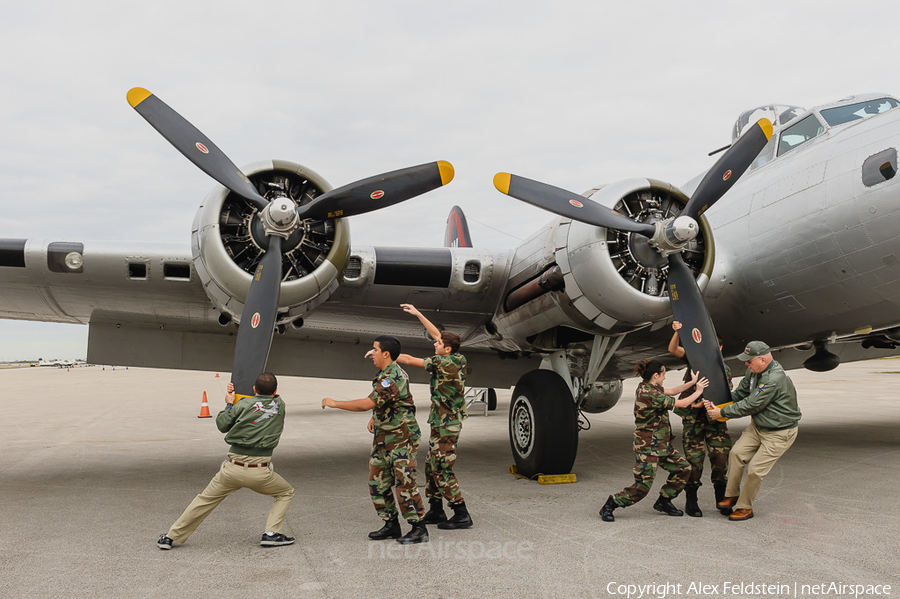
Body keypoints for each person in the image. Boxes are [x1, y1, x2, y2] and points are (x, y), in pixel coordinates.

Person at [157, 373, 295, 550]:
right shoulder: (280, 405)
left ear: (254, 389)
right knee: (286, 492)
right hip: (261, 472)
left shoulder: (242, 405)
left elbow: (222, 425)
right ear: (275, 391)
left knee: (204, 500)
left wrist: (230, 401)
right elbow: (269, 397)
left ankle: (170, 537)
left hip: (232, 469)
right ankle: (271, 534)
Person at [322, 335, 428, 544]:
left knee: (404, 482)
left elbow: (366, 403)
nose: (371, 354)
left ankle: (419, 528)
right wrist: (375, 417)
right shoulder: (384, 374)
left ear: (386, 354)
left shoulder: (393, 376)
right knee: (377, 481)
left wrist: (335, 403)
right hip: (384, 436)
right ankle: (391, 524)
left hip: (401, 438)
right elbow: (385, 401)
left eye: (375, 350)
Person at [600, 361, 709, 522]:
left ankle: (664, 500)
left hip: (661, 444)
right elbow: (683, 403)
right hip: (648, 446)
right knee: (642, 487)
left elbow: (671, 391)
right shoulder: (651, 394)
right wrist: (699, 390)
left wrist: (692, 383)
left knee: (683, 468)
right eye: (663, 374)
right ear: (655, 375)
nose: (665, 377)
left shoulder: (648, 386)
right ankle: (612, 503)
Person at [705, 341, 801, 521]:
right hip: (759, 427)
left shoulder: (774, 379)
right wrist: (718, 403)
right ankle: (732, 494)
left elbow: (751, 405)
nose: (746, 364)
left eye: (749, 361)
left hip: (779, 433)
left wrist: (721, 412)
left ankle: (745, 507)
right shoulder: (754, 371)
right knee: (735, 454)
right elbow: (740, 393)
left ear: (763, 359)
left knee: (755, 470)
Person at [395, 303, 471, 529]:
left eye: (438, 344)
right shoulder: (459, 358)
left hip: (447, 425)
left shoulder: (441, 363)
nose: (434, 343)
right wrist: (419, 314)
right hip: (442, 423)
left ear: (447, 349)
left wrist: (386, 353)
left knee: (442, 469)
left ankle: (461, 513)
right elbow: (438, 334)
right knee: (430, 466)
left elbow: (408, 360)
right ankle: (436, 510)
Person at [667, 321, 733, 517]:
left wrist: (712, 405)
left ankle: (722, 500)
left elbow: (727, 396)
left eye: (717, 346)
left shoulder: (725, 369)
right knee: (694, 462)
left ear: (720, 347)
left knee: (721, 461)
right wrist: (677, 332)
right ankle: (691, 500)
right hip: (693, 420)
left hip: (716, 422)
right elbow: (672, 349)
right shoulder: (694, 359)